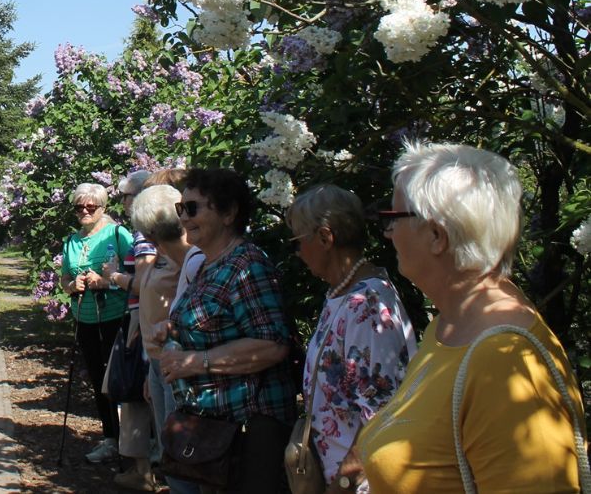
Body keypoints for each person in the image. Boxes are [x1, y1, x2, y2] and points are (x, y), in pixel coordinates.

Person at [358, 143, 587, 493]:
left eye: (393, 218)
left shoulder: (503, 356)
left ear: (436, 236)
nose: (388, 233)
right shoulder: (450, 326)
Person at [157, 168, 295, 494]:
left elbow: (273, 344)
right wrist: (175, 331)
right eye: (181, 209)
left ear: (229, 212)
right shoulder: (210, 263)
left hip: (248, 431)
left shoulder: (247, 265)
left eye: (193, 208)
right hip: (216, 429)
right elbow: (217, 323)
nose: (184, 218)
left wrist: (196, 361)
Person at [286, 184, 416, 490]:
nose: (297, 252)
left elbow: (382, 414)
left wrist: (343, 483)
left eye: (297, 242)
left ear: (325, 238)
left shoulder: (365, 305)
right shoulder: (341, 293)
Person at [132, 180, 202, 494]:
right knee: (170, 451)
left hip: (185, 369)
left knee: (183, 454)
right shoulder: (176, 259)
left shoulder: (196, 261)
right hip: (160, 362)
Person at [59, 182, 133, 464]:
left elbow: (138, 275)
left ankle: (135, 439)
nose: (85, 211)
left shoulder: (118, 234)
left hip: (116, 317)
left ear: (103, 208)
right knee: (97, 378)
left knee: (119, 379)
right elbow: (65, 277)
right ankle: (110, 438)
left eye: (91, 207)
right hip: (85, 318)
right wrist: (71, 285)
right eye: (80, 207)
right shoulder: (71, 241)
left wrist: (107, 282)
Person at [102, 171, 160, 490]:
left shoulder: (142, 234)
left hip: (141, 317)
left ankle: (144, 470)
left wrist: (114, 276)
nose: (122, 201)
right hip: (147, 315)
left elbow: (145, 282)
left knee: (133, 390)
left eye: (125, 195)